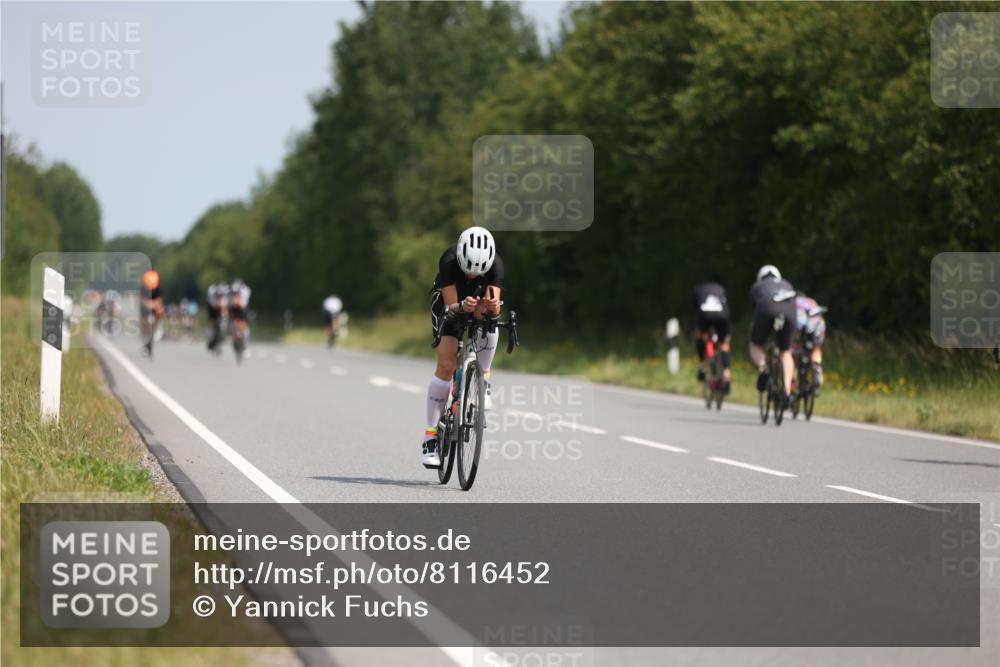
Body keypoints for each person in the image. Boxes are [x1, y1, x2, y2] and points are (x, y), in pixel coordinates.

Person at [422, 226, 503, 468]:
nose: (471, 275)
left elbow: (493, 303)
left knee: (491, 321)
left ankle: (484, 379)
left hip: (476, 301)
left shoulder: (496, 265)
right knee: (446, 366)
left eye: (477, 272)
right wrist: (462, 307)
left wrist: (493, 307)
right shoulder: (448, 261)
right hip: (450, 303)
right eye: (467, 270)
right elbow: (450, 308)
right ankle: (430, 438)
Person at [748, 265, 797, 403]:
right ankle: (787, 390)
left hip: (767, 308)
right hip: (790, 311)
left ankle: (764, 368)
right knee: (786, 351)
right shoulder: (787, 284)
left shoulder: (757, 286)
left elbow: (755, 310)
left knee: (755, 345)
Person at [691, 279, 731, 392]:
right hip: (722, 314)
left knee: (700, 336)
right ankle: (726, 375)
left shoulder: (698, 289)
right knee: (724, 344)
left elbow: (695, 307)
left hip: (705, 314)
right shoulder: (721, 289)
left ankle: (702, 366)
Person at [794, 293, 827, 391]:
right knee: (816, 348)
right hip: (817, 325)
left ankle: (792, 383)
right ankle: (816, 365)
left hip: (800, 326)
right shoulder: (811, 301)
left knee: (793, 355)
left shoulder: (792, 302)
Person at [140, 269, 164, 355]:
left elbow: (159, 301)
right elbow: (143, 301)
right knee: (144, 321)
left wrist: (156, 307)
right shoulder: (143, 289)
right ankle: (145, 337)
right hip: (145, 308)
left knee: (159, 312)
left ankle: (154, 332)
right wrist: (149, 304)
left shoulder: (159, 290)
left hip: (154, 307)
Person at [206, 282, 229, 352]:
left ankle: (223, 334)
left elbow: (226, 307)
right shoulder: (211, 294)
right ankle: (210, 337)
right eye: (218, 295)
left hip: (222, 308)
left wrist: (225, 313)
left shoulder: (226, 296)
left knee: (224, 320)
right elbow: (213, 306)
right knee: (211, 322)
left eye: (221, 295)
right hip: (212, 309)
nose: (219, 296)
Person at [228, 278, 252, 343]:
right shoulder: (227, 291)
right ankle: (233, 335)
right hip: (232, 307)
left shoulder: (245, 291)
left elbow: (243, 305)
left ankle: (245, 340)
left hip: (242, 307)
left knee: (243, 324)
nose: (234, 293)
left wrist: (236, 302)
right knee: (230, 321)